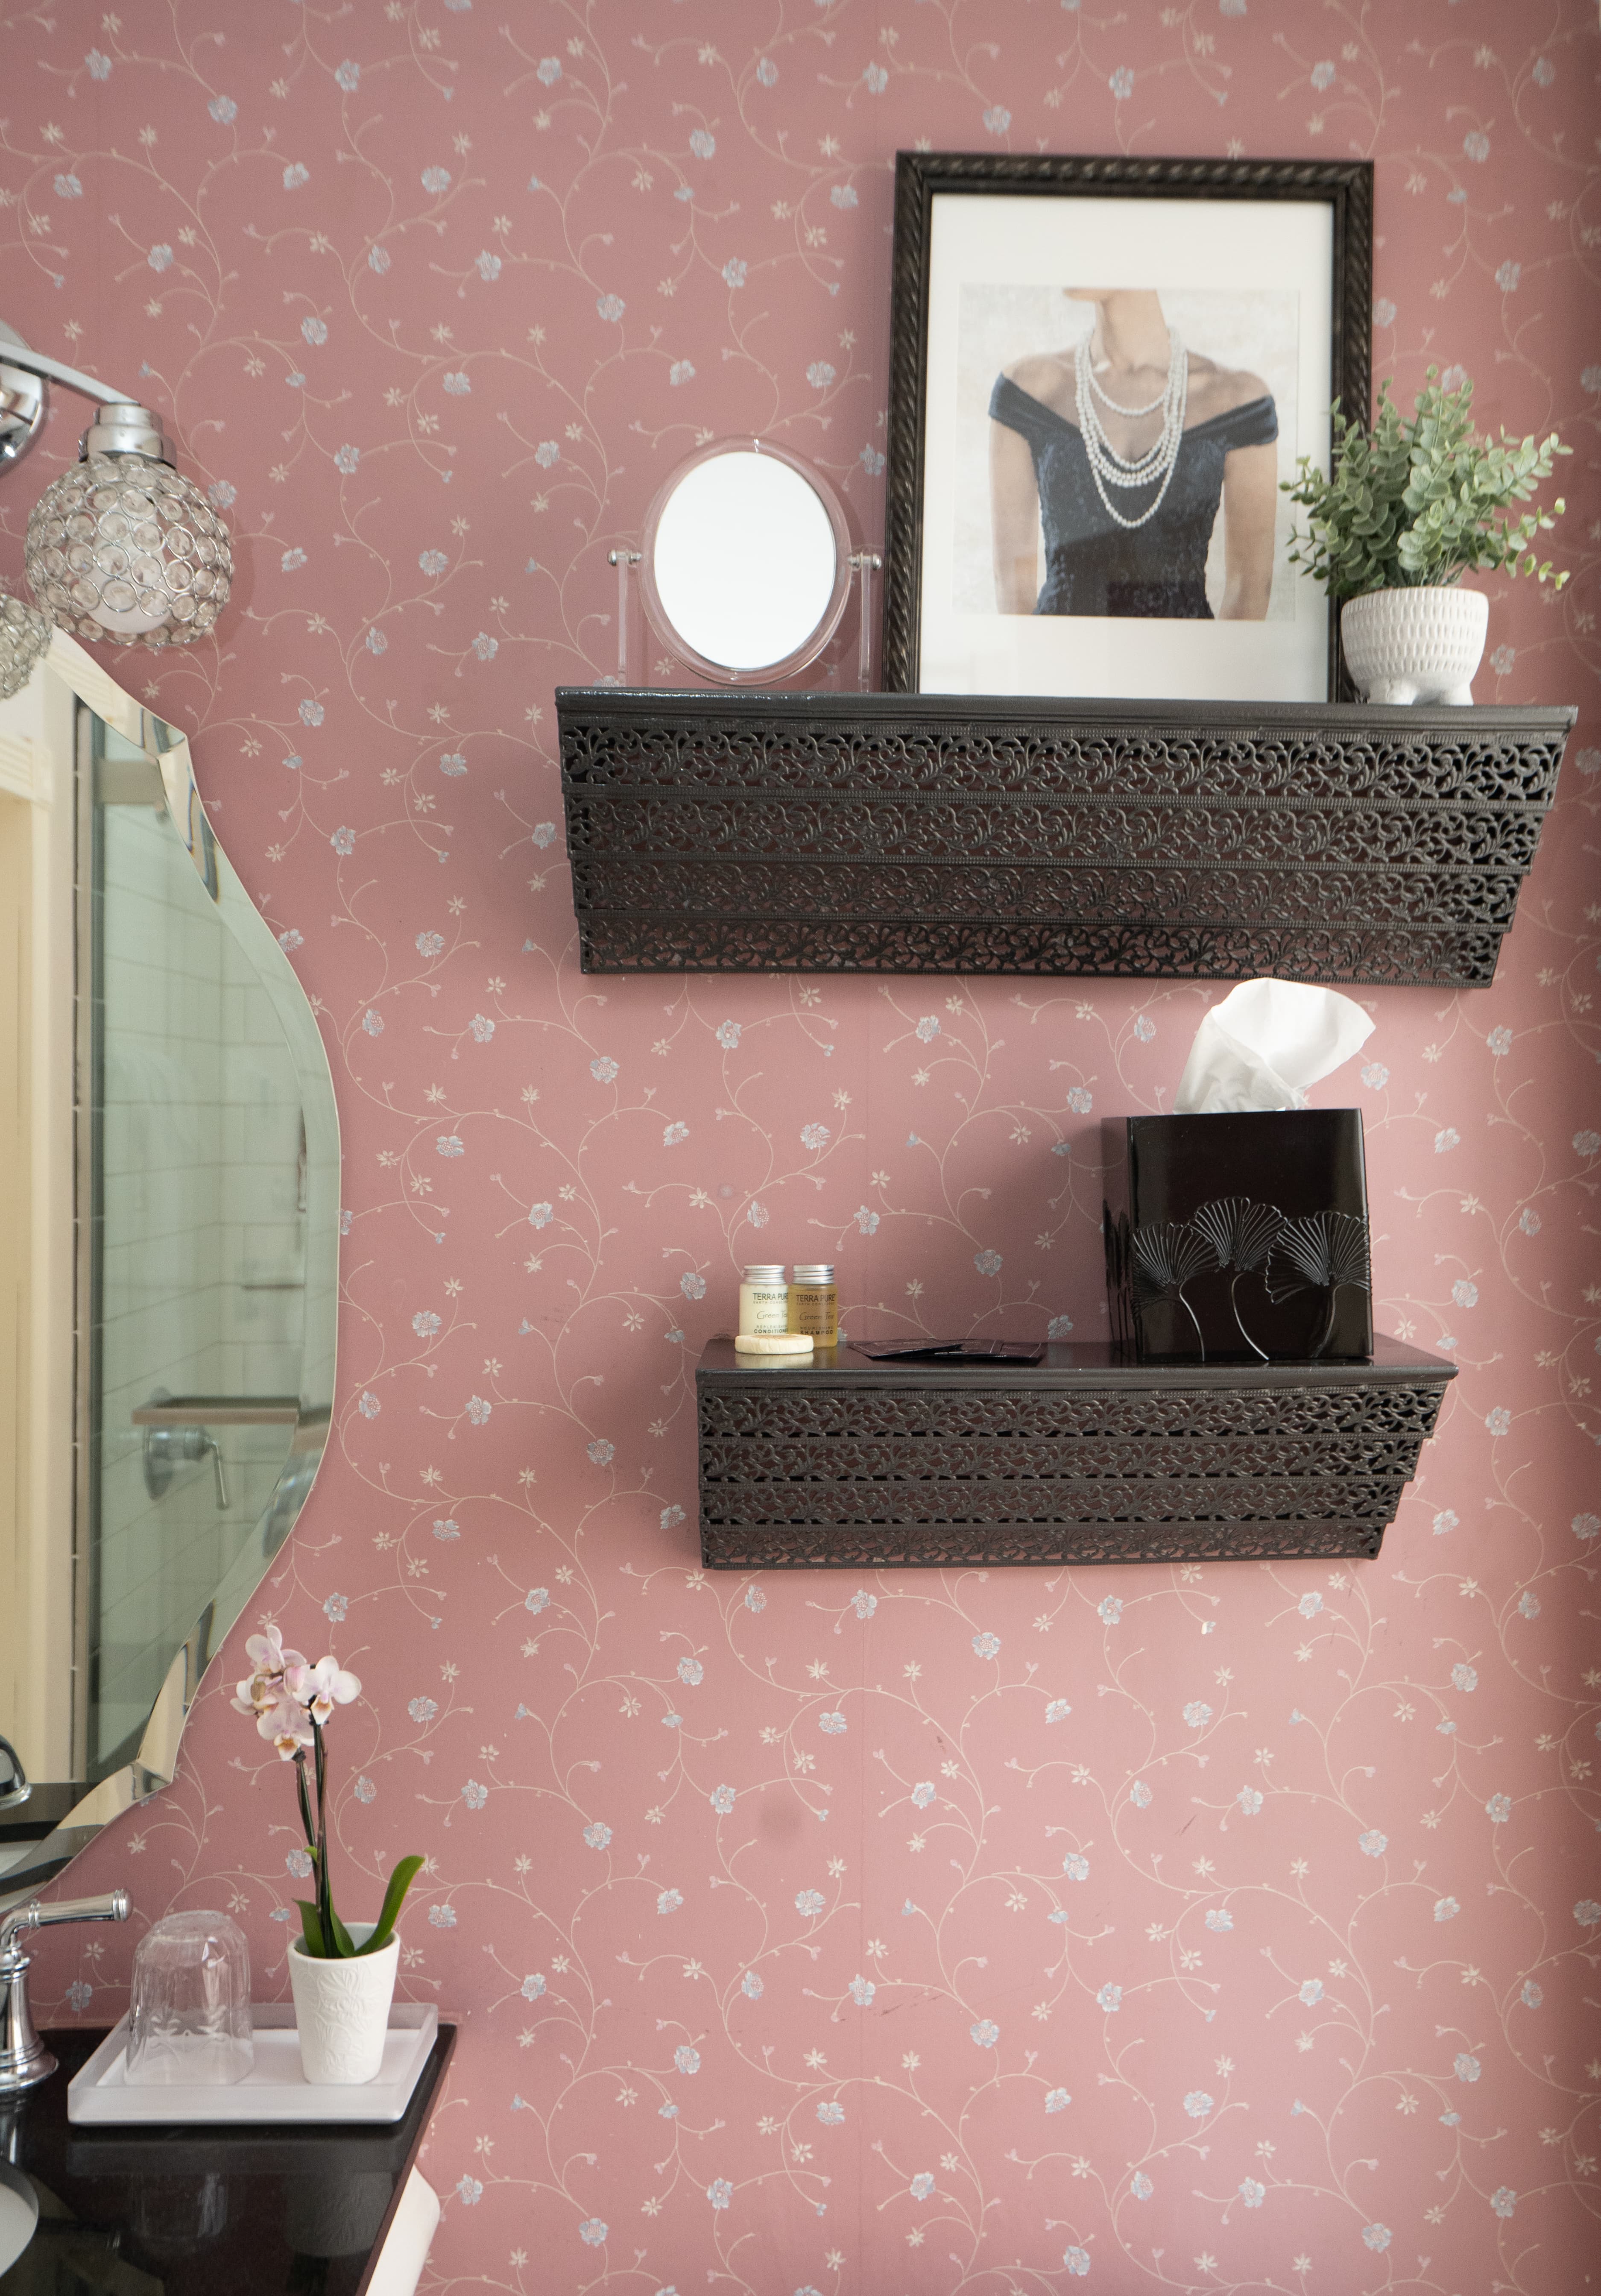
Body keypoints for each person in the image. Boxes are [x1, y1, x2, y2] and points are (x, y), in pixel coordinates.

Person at [988, 288, 1278, 619]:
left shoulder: (1239, 400)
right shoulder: (1027, 390)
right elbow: (1013, 585)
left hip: (1185, 666)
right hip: (1060, 662)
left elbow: (1250, 590)